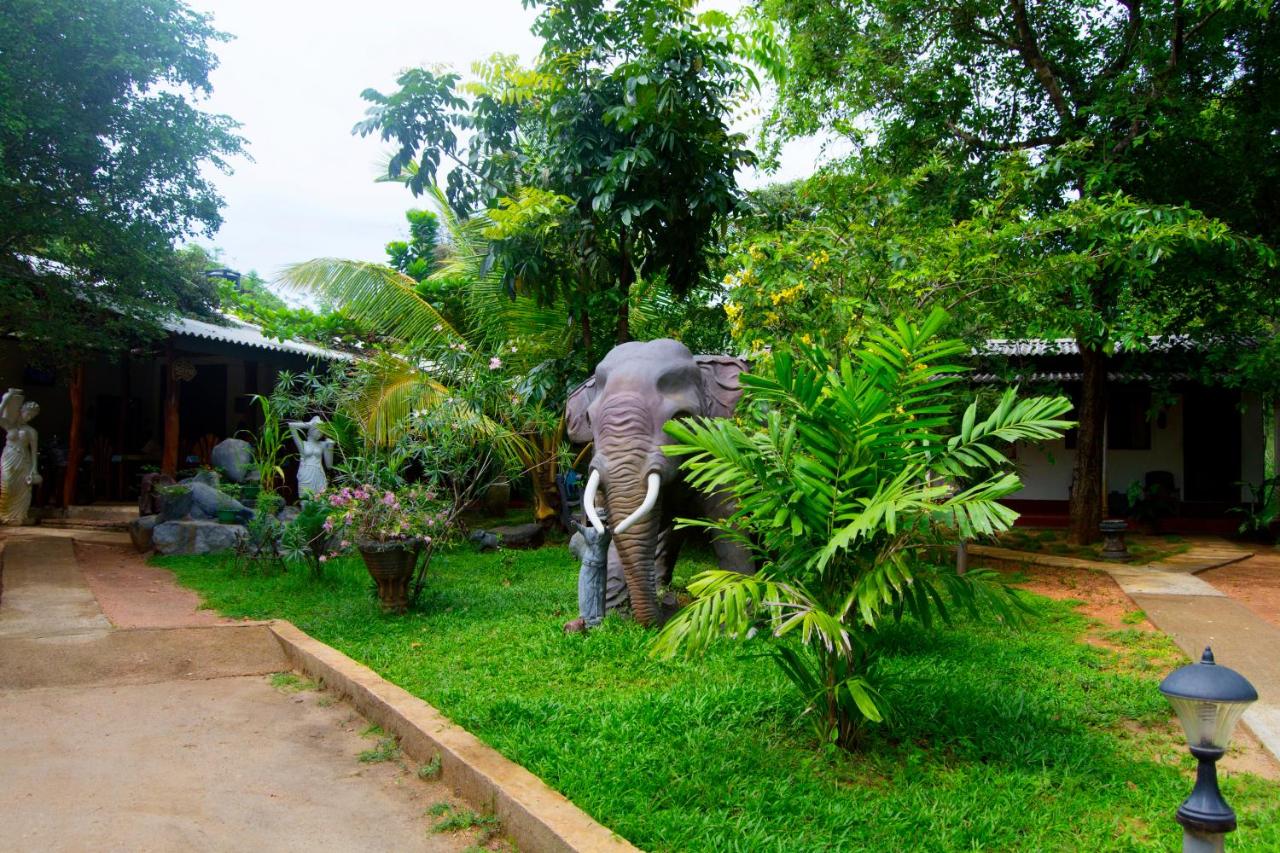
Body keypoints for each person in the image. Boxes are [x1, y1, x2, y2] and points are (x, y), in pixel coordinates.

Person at [564, 508, 611, 634]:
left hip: (601, 567)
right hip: (588, 566)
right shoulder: (590, 532)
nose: (601, 524)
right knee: (587, 591)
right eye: (599, 521)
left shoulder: (607, 534)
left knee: (600, 591)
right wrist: (575, 524)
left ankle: (598, 617)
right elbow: (581, 529)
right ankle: (586, 619)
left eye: (603, 521)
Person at [0, 388, 41, 525]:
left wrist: (34, 469)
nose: (29, 417)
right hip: (9, 456)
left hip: (24, 459)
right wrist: (6, 399)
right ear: (21, 410)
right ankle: (3, 514)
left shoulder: (32, 431)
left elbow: (34, 452)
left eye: (32, 416)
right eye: (28, 414)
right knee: (7, 484)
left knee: (22, 488)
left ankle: (18, 516)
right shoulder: (9, 425)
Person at [288, 416, 334, 498]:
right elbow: (291, 425)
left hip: (319, 473)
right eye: (317, 430)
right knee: (305, 499)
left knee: (320, 500)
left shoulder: (323, 445)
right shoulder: (303, 444)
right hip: (306, 472)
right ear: (311, 430)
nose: (319, 434)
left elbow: (329, 466)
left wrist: (330, 446)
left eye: (321, 432)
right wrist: (309, 424)